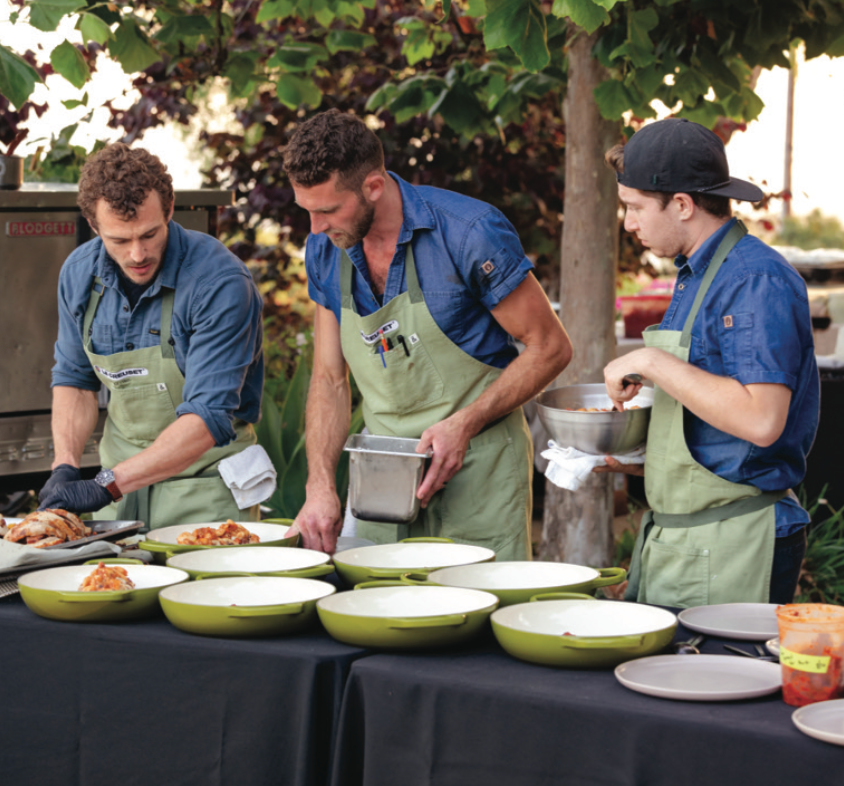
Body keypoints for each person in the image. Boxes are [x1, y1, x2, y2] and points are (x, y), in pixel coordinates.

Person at [283, 109, 572, 555]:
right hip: (384, 481)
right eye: (307, 211)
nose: (315, 228)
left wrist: (464, 423)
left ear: (373, 186)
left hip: (480, 473)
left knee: (474, 614)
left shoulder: (469, 233)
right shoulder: (326, 248)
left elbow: (551, 348)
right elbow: (328, 379)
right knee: (384, 614)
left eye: (327, 210)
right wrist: (320, 485)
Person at [599, 118, 819, 607]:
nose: (629, 223)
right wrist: (642, 459)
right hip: (686, 539)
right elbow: (714, 415)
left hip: (734, 544)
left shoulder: (753, 279)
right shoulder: (696, 272)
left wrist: (652, 360)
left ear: (681, 204)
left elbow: (761, 421)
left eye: (634, 208)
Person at [38, 143, 265, 528]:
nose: (137, 254)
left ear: (170, 207)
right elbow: (76, 381)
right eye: (119, 240)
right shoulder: (78, 274)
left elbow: (208, 416)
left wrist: (107, 483)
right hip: (117, 497)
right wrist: (65, 465)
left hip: (206, 497)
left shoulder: (220, 283)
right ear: (94, 226)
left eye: (149, 234)